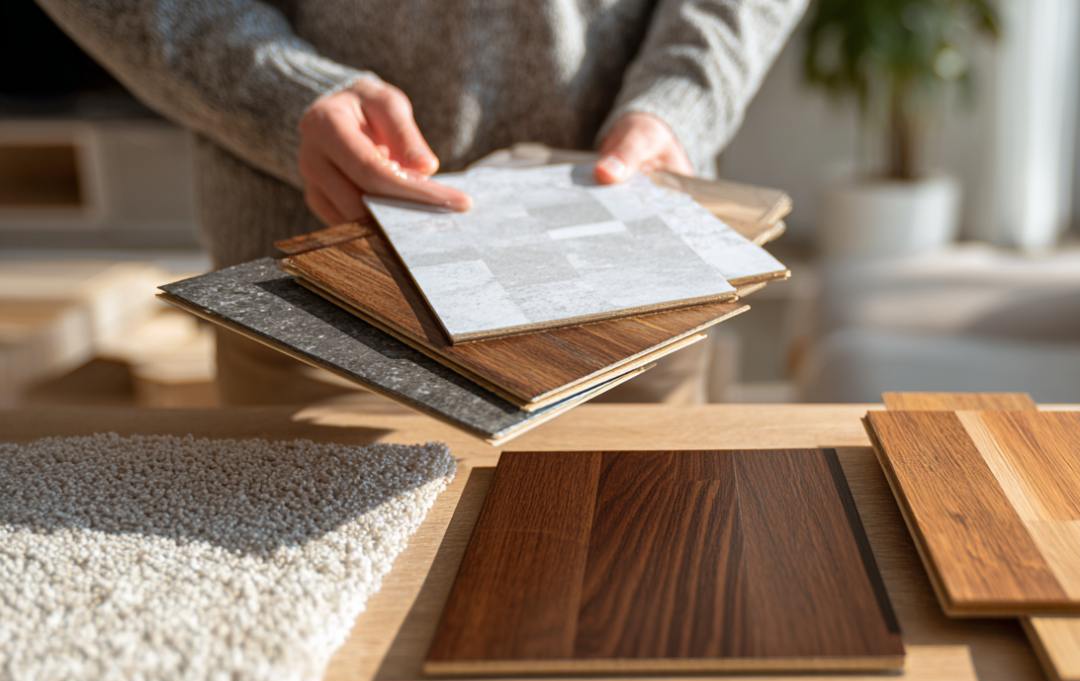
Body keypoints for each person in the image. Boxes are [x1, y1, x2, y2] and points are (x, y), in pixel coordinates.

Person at [38, 0, 805, 405]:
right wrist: (277, 87)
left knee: (639, 611)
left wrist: (681, 98)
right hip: (323, 307)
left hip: (633, 293)